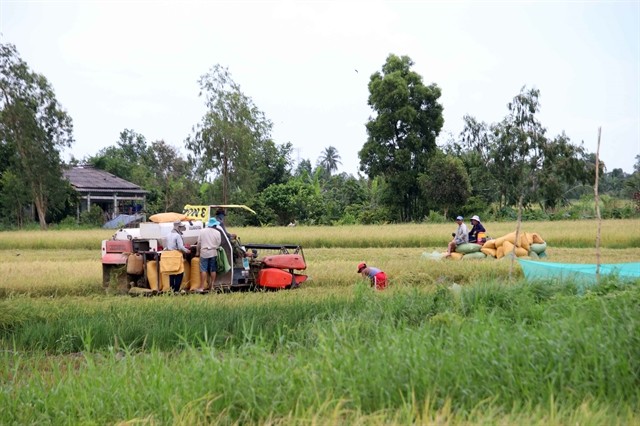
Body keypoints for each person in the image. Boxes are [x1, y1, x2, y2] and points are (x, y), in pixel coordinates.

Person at [196, 217, 223, 293]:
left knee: (203, 269)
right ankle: (212, 286)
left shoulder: (202, 231)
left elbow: (199, 243)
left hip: (204, 252)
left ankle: (201, 287)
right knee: (213, 269)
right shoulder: (217, 233)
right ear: (215, 225)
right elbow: (218, 244)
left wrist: (197, 252)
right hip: (213, 252)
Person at [163, 220, 191, 293]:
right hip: (176, 255)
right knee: (179, 272)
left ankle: (172, 289)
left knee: (172, 272)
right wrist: (187, 251)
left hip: (169, 255)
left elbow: (166, 246)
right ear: (178, 227)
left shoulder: (168, 235)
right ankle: (176, 290)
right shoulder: (177, 236)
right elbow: (180, 247)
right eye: (181, 227)